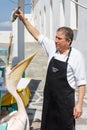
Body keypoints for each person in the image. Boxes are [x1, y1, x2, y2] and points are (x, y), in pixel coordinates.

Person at [15, 9, 87, 130]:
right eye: (55, 37)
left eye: (59, 39)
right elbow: (37, 34)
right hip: (49, 102)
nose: (55, 41)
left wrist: (79, 104)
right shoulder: (52, 49)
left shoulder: (76, 56)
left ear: (68, 41)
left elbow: (81, 83)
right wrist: (23, 20)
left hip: (65, 105)